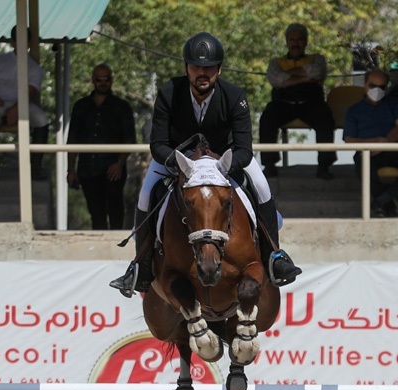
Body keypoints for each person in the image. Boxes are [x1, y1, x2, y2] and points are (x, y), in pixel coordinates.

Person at [109, 32, 302, 298]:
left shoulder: (235, 96)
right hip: (179, 160)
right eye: (196, 67)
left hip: (223, 160)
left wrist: (219, 165)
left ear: (219, 69)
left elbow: (245, 149)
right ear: (186, 68)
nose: (202, 73)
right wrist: (182, 165)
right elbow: (158, 144)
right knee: (145, 194)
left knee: (261, 185)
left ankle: (275, 257)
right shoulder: (168, 93)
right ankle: (141, 267)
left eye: (209, 67)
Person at [342, 69, 398, 218]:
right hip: (369, 151)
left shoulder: (394, 103)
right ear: (364, 85)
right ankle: (388, 202)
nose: (376, 90)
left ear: (387, 87)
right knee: (363, 166)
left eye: (381, 87)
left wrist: (385, 143)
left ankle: (381, 200)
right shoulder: (354, 110)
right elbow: (348, 139)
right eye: (372, 85)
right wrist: (372, 144)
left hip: (394, 148)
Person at [258, 23, 335, 180]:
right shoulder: (276, 62)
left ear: (306, 42)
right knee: (267, 117)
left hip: (311, 103)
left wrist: (287, 77)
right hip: (283, 104)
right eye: (292, 40)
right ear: (287, 42)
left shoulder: (317, 58)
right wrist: (306, 76)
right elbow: (276, 79)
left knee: (325, 117)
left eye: (299, 40)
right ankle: (269, 165)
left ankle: (324, 166)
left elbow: (317, 72)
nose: (296, 43)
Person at [66, 63, 136, 230]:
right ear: (93, 80)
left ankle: (118, 250)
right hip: (87, 168)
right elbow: (73, 139)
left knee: (116, 210)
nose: (103, 83)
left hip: (113, 169)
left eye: (106, 79)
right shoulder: (81, 106)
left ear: (111, 81)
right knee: (96, 213)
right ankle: (100, 252)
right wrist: (71, 169)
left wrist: (119, 164)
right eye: (99, 79)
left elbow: (129, 139)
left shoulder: (122, 106)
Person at [0, 26, 49, 181]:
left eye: (25, 40)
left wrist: (16, 109)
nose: (21, 43)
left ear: (29, 42)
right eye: (18, 40)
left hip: (23, 104)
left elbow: (31, 92)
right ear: (12, 42)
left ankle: (36, 166)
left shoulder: (35, 67)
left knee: (42, 119)